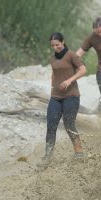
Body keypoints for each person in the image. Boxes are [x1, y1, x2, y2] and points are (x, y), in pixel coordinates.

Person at [38, 32, 87, 169]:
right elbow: (54, 72)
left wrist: (69, 80)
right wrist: (53, 84)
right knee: (51, 126)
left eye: (57, 45)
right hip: (55, 97)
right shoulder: (52, 58)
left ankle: (79, 153)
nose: (55, 48)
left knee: (69, 124)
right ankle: (47, 156)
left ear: (63, 42)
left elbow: (83, 70)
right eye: (53, 45)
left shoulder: (71, 55)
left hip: (71, 95)